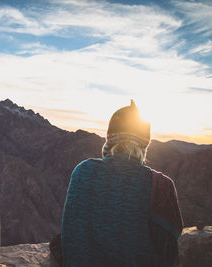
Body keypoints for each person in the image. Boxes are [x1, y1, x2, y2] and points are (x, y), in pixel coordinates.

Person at [61, 100, 183, 267]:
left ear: (109, 139)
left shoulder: (82, 171)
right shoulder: (162, 185)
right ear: (144, 145)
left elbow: (70, 236)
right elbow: (169, 249)